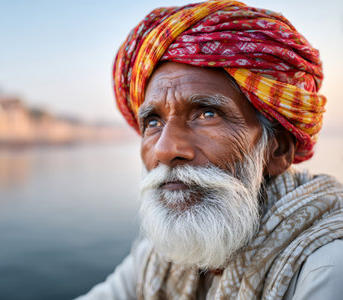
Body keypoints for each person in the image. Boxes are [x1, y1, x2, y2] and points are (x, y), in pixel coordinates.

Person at [77, 1, 343, 299]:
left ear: (277, 149)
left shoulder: (327, 269)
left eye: (206, 114)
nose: (166, 150)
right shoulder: (158, 257)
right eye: (153, 121)